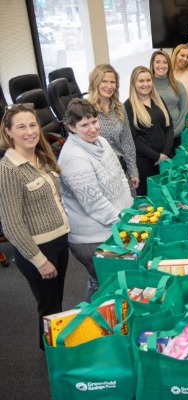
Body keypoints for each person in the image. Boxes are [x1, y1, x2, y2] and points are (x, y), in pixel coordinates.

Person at [0, 103, 70, 349]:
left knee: (55, 303)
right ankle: (52, 356)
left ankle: (53, 347)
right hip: (38, 249)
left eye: (33, 125)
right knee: (49, 308)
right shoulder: (8, 169)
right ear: (8, 131)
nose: (30, 131)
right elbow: (11, 224)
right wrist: (39, 260)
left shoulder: (41, 154)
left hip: (59, 241)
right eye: (21, 127)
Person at [58, 99, 133, 302]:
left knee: (117, 280)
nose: (92, 129)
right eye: (84, 125)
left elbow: (120, 177)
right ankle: (93, 326)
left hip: (115, 224)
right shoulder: (73, 157)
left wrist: (130, 208)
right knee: (102, 283)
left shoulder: (102, 142)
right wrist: (123, 222)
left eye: (94, 121)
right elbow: (94, 203)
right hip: (92, 237)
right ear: (72, 128)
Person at [87, 63, 139, 190]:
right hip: (98, 172)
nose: (109, 86)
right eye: (104, 81)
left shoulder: (120, 108)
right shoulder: (86, 109)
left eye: (112, 82)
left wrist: (133, 172)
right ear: (96, 83)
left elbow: (127, 142)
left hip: (119, 167)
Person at [124, 66, 174, 195]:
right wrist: (156, 156)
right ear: (134, 84)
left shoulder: (158, 100)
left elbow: (169, 127)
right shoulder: (128, 106)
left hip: (166, 159)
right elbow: (133, 139)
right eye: (141, 81)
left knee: (169, 197)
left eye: (148, 80)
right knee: (150, 203)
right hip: (145, 164)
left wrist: (164, 153)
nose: (146, 84)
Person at [150, 50, 188, 153]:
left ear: (169, 65)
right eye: (158, 62)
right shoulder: (147, 87)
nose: (161, 65)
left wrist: (173, 133)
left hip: (177, 137)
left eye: (165, 62)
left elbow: (185, 112)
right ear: (152, 64)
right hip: (156, 141)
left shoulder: (178, 85)